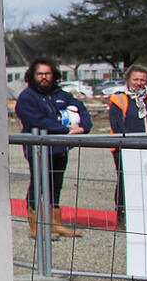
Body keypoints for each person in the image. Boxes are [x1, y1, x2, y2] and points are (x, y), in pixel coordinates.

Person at [13, 58, 91, 239]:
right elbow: (36, 120)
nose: (44, 77)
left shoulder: (62, 95)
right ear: (33, 75)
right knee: (38, 184)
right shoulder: (27, 97)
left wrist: (83, 128)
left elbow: (82, 110)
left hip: (59, 148)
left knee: (56, 185)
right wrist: (64, 130)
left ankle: (55, 224)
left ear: (53, 75)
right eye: (40, 74)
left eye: (47, 74)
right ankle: (35, 226)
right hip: (38, 149)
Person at [106, 64, 147, 224]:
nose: (139, 83)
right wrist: (132, 142)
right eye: (136, 79)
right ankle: (122, 213)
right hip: (125, 148)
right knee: (126, 181)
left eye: (142, 80)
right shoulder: (118, 99)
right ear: (128, 80)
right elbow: (117, 124)